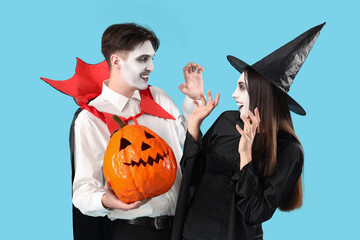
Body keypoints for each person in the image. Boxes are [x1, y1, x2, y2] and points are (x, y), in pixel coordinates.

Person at [171, 23, 325, 240]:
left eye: (242, 87)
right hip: (191, 232)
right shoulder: (227, 120)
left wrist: (246, 157)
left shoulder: (289, 150)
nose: (234, 94)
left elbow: (255, 212)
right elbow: (190, 177)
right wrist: (194, 126)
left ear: (263, 94)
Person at [70, 23, 204, 240]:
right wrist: (108, 201)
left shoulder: (158, 97)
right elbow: (83, 191)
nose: (151, 67)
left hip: (184, 227)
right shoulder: (91, 118)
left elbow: (188, 145)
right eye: (142, 59)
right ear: (116, 61)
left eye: (152, 59)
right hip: (135, 231)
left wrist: (193, 102)